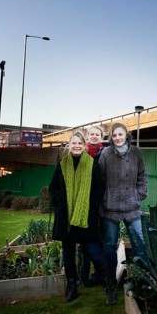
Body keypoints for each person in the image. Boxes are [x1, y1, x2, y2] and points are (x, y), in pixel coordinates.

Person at [49, 130, 110, 304]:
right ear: (69, 145)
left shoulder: (91, 164)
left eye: (79, 143)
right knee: (68, 254)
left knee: (93, 251)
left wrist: (90, 206)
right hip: (66, 218)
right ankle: (72, 288)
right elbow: (53, 187)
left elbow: (99, 187)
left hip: (85, 217)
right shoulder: (62, 164)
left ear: (84, 146)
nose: (76, 146)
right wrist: (58, 201)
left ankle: (108, 283)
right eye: (73, 143)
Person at [98, 122, 148, 304]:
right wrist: (104, 199)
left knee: (140, 243)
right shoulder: (105, 154)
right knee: (109, 246)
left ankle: (143, 282)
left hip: (132, 208)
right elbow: (100, 180)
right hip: (110, 208)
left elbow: (142, 175)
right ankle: (110, 285)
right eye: (114, 135)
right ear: (111, 138)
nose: (118, 138)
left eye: (120, 134)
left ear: (127, 135)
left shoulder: (136, 153)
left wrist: (140, 193)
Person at [78, 125, 105, 287]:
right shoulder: (81, 153)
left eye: (98, 134)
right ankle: (84, 276)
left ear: (101, 137)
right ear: (87, 137)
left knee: (99, 239)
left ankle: (99, 275)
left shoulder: (106, 154)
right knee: (83, 242)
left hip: (100, 204)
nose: (94, 137)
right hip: (83, 205)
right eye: (92, 134)